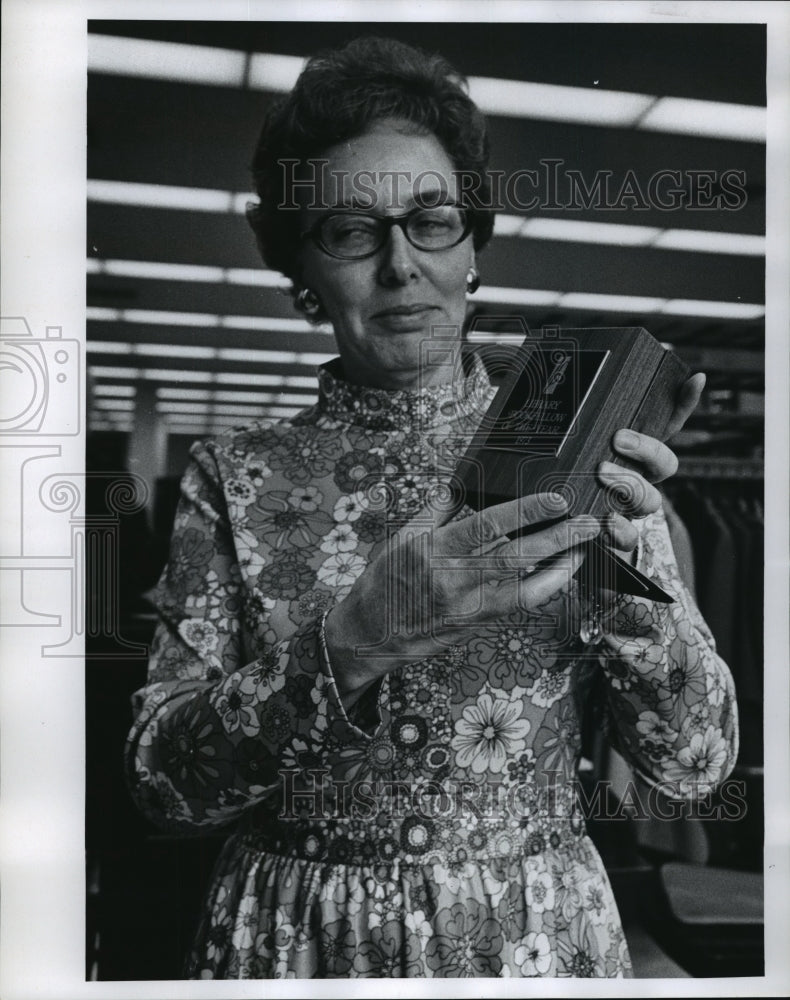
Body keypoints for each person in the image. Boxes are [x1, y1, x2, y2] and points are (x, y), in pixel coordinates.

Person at [125, 36, 739, 979]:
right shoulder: (235, 476)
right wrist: (354, 639)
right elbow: (163, 786)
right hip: (298, 938)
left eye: (432, 220)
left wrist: (630, 572)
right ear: (302, 272)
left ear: (473, 245)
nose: (401, 264)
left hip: (531, 932)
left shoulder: (584, 441)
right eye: (349, 230)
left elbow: (695, 767)